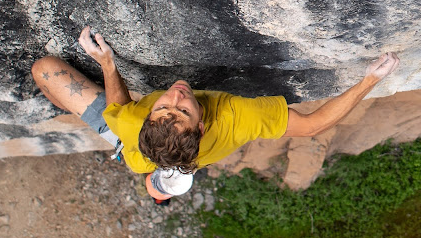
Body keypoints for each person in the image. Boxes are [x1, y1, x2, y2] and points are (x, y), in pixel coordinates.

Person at [32, 26, 400, 204]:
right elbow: (312, 125)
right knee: (147, 173)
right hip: (141, 152)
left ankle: (159, 190)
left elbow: (117, 110)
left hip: (133, 151)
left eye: (170, 107)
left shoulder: (134, 126)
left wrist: (107, 64)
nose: (175, 95)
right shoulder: (234, 119)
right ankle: (160, 191)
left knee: (43, 71)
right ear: (201, 127)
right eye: (178, 108)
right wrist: (370, 80)